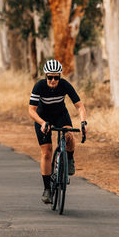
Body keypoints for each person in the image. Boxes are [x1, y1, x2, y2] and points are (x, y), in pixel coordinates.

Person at [28, 59, 87, 204]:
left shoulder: (65, 85)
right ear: (46, 76)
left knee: (69, 136)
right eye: (50, 77)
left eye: (56, 77)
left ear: (59, 76)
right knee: (47, 152)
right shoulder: (39, 86)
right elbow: (31, 110)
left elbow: (80, 106)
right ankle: (47, 189)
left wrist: (83, 122)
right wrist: (42, 123)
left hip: (60, 114)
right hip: (43, 117)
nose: (53, 80)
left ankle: (70, 158)